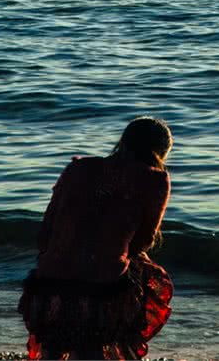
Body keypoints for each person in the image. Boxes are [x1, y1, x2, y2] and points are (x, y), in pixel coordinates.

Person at [18, 117, 174, 360]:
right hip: (102, 284)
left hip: (48, 282)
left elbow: (48, 227)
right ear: (161, 152)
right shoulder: (155, 180)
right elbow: (143, 241)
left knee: (52, 348)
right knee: (90, 348)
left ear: (123, 142)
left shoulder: (79, 168)